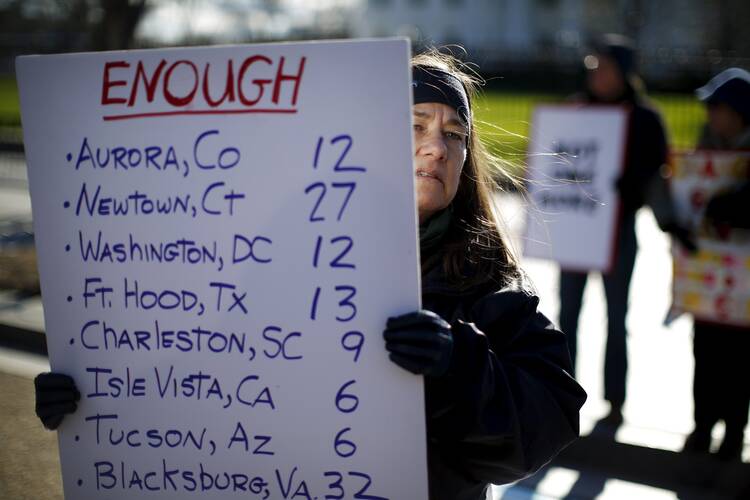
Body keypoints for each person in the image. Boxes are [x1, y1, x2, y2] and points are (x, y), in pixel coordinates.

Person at [35, 49, 587, 500]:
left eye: (455, 134)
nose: (436, 147)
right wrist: (92, 400)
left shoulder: (489, 283)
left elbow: (545, 425)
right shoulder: (285, 253)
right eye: (415, 124)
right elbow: (195, 374)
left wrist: (457, 366)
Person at [557, 34, 690, 425]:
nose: (597, 74)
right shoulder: (574, 112)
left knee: (617, 316)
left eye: (606, 67)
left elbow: (655, 176)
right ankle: (562, 393)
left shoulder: (645, 119)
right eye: (593, 66)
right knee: (567, 316)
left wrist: (630, 189)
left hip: (618, 232)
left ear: (624, 73)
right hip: (577, 231)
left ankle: (615, 401)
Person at [682, 67, 750, 461]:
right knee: (705, 354)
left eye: (718, 108)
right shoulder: (705, 151)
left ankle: (734, 433)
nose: (711, 116)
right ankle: (703, 425)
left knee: (740, 360)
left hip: (742, 288)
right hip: (707, 280)